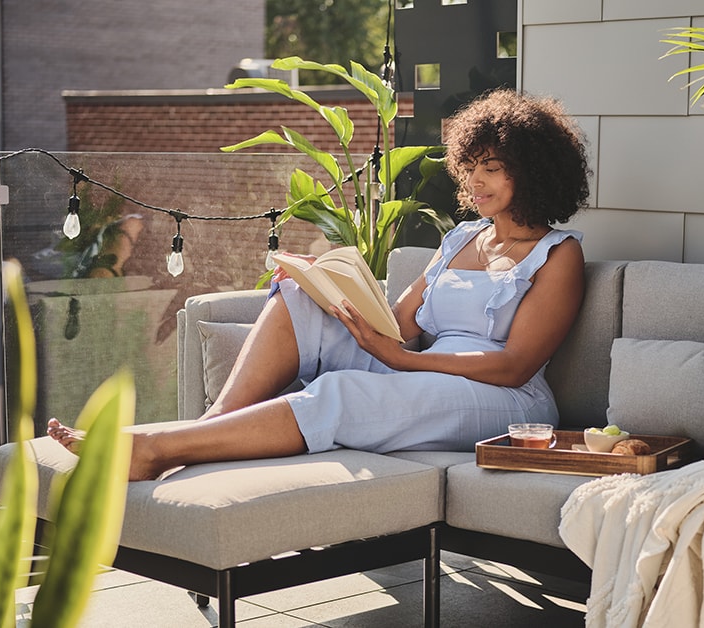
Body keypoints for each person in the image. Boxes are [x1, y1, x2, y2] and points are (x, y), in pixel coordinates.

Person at [47, 88, 592, 481]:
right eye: (469, 166)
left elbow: (515, 365)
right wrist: (326, 288)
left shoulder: (557, 254)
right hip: (427, 370)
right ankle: (209, 428)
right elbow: (399, 325)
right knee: (295, 300)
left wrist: (401, 361)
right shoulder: (462, 238)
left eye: (492, 167)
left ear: (533, 171)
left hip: (504, 401)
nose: (475, 181)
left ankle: (154, 448)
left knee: (339, 392)